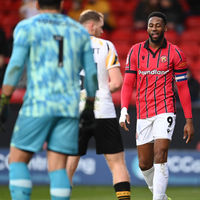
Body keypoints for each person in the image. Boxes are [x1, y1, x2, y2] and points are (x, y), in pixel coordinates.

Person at [0, 0, 98, 199]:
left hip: (37, 104)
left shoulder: (27, 27)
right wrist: (89, 105)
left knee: (17, 160)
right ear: (62, 3)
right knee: (58, 166)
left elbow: (16, 66)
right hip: (68, 107)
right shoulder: (79, 31)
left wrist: (4, 100)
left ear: (36, 4)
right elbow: (91, 74)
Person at [119, 11, 195, 200]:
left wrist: (189, 120)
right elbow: (128, 83)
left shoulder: (175, 53)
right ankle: (161, 195)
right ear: (147, 28)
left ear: (165, 28)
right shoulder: (135, 51)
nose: (154, 28)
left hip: (165, 109)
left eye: (158, 25)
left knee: (160, 154)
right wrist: (123, 110)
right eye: (151, 25)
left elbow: (183, 88)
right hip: (143, 111)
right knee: (144, 164)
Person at [66, 10, 131, 200]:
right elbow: (117, 82)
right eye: (101, 27)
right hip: (103, 110)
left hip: (75, 111)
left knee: (69, 163)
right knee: (117, 164)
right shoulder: (106, 46)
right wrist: (100, 91)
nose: (103, 31)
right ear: (92, 25)